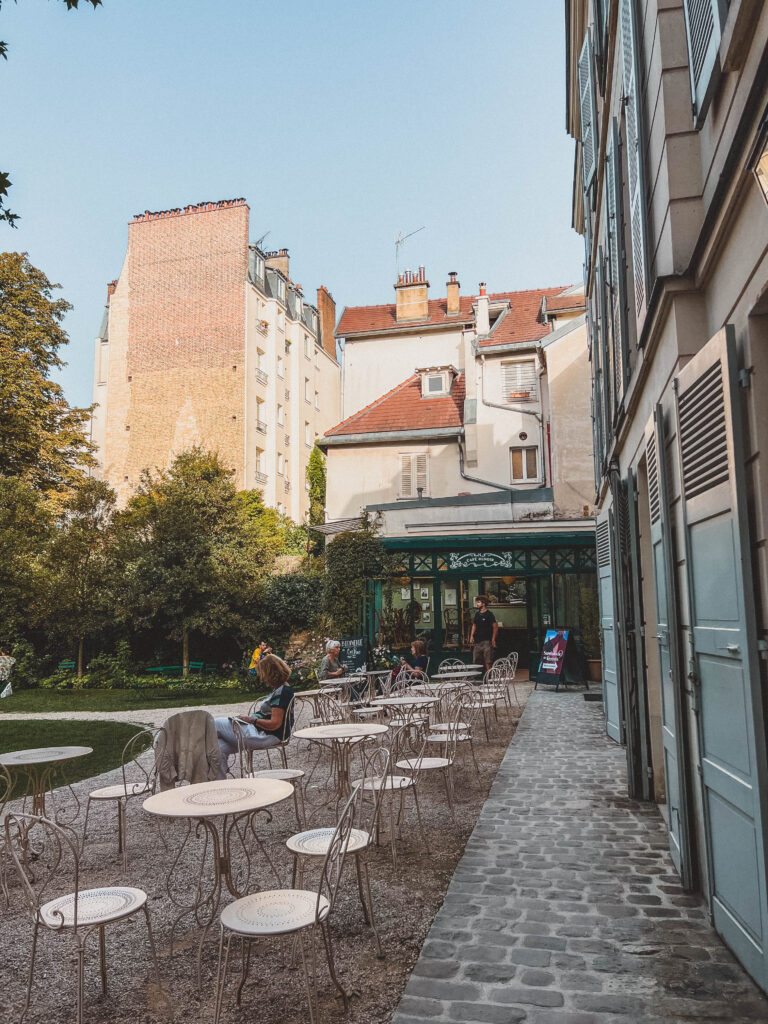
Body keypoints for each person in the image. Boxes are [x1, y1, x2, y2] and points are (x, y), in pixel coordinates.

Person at [214, 653, 294, 778]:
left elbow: (275, 724)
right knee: (218, 748)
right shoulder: (281, 690)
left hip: (265, 735)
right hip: (259, 731)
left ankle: (184, 753)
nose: (262, 678)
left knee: (213, 723)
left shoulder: (282, 692)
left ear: (271, 673)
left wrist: (251, 720)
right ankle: (218, 786)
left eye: (263, 674)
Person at [469, 595, 498, 671]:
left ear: (483, 603)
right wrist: (471, 636)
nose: (477, 604)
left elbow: (495, 627)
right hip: (477, 642)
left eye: (478, 602)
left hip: (486, 641)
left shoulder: (489, 614)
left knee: (488, 661)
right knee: (476, 661)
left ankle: (489, 677)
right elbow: (474, 625)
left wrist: (493, 639)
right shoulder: (477, 614)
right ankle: (478, 678)